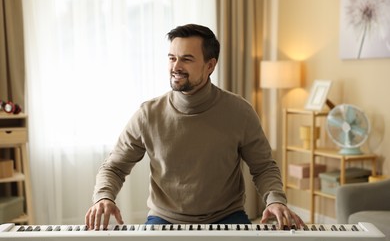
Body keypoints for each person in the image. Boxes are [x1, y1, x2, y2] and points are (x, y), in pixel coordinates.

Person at [85, 23, 303, 230]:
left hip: (226, 216)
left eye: (186, 59)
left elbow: (263, 166)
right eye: (172, 58)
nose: (176, 67)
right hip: (164, 218)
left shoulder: (240, 112)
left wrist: (275, 199)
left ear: (210, 65)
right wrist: (103, 197)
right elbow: (114, 166)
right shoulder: (148, 114)